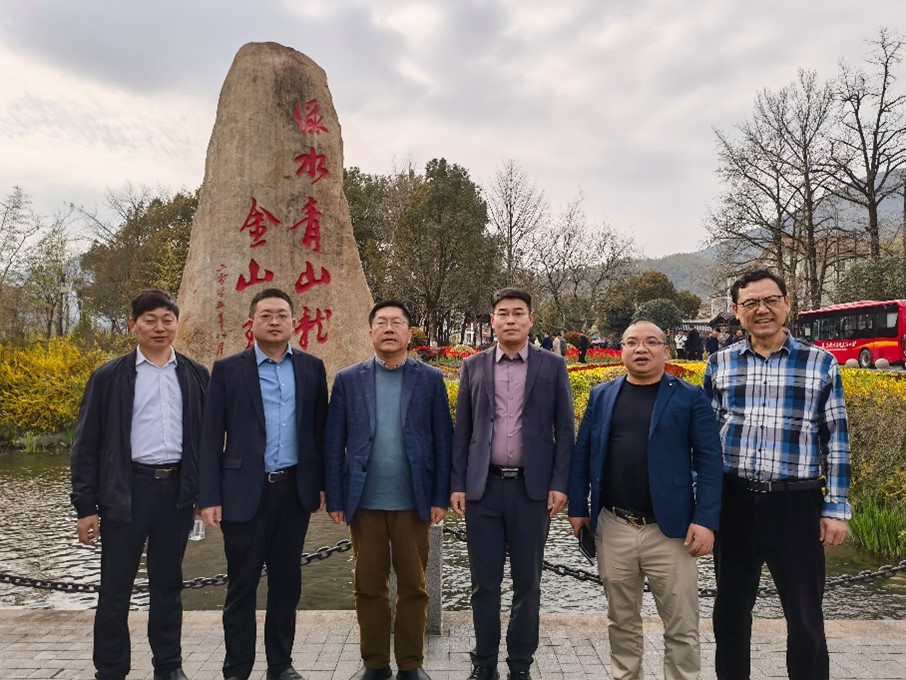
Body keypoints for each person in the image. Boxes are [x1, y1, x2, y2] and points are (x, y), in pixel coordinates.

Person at [703, 269, 851, 680]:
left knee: (805, 616)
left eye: (771, 300)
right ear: (737, 311)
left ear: (787, 304)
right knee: (730, 612)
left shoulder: (820, 363)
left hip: (796, 503)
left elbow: (836, 439)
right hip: (734, 501)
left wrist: (835, 509)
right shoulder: (720, 363)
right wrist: (704, 505)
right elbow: (706, 443)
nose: (762, 309)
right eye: (751, 303)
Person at [567, 320, 723, 679]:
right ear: (622, 350)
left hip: (671, 530)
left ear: (666, 350)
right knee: (621, 622)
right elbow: (582, 454)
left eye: (651, 342)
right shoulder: (602, 395)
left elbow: (709, 461)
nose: (641, 349)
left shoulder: (689, 397)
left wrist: (705, 519)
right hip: (614, 525)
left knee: (681, 626)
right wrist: (578, 508)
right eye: (632, 342)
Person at [70, 289, 210, 680]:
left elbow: (207, 441)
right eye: (150, 320)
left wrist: (204, 493)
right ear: (133, 325)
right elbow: (87, 445)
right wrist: (85, 507)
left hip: (176, 493)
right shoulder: (109, 377)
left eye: (167, 319)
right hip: (126, 491)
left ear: (177, 324)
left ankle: (169, 666)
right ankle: (111, 670)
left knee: (168, 586)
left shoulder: (196, 375)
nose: (159, 328)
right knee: (115, 590)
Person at [198, 288, 328, 680]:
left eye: (282, 315)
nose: (274, 321)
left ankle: (280, 665)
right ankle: (237, 668)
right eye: (266, 315)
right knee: (242, 586)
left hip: (293, 491)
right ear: (251, 322)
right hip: (242, 493)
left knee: (287, 584)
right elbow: (210, 437)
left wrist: (322, 484)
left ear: (294, 322)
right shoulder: (228, 369)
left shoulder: (311, 368)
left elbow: (319, 432)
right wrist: (209, 495)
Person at [325, 300, 453, 680]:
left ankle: (411, 664)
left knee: (414, 586)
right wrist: (335, 497)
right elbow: (334, 443)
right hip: (364, 501)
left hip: (413, 500)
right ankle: (375, 663)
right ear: (370, 332)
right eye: (381, 322)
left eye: (397, 322)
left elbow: (443, 441)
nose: (389, 328)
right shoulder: (348, 379)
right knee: (368, 586)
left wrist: (440, 496)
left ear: (409, 333)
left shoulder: (429, 378)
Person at [451, 288, 575, 680]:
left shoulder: (552, 366)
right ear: (492, 320)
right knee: (483, 584)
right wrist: (457, 484)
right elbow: (463, 431)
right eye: (502, 313)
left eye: (518, 313)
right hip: (483, 490)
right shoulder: (473, 366)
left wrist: (560, 483)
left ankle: (520, 665)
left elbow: (565, 430)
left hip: (531, 491)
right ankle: (484, 663)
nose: (510, 319)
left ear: (531, 319)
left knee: (528, 583)